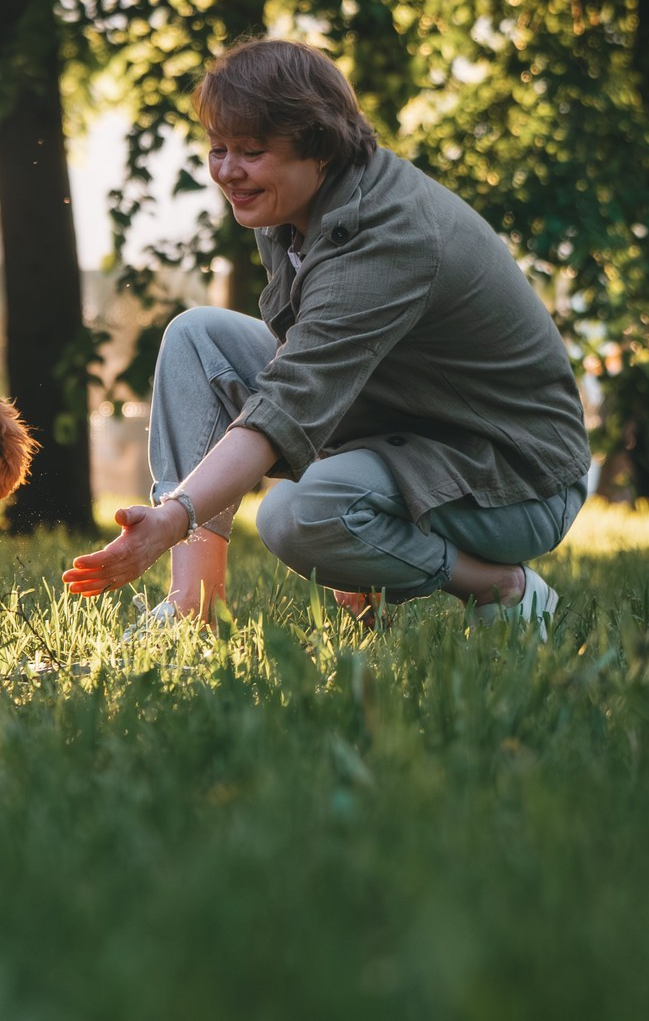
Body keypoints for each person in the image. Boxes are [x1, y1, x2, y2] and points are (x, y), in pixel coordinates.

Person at [63, 38, 594, 627]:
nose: (228, 171)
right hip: (407, 425)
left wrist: (174, 516)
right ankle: (195, 605)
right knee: (197, 337)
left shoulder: (387, 237)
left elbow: (291, 403)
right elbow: (315, 367)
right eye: (218, 148)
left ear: (319, 148)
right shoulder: (290, 205)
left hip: (512, 480)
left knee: (298, 515)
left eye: (252, 152)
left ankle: (501, 587)